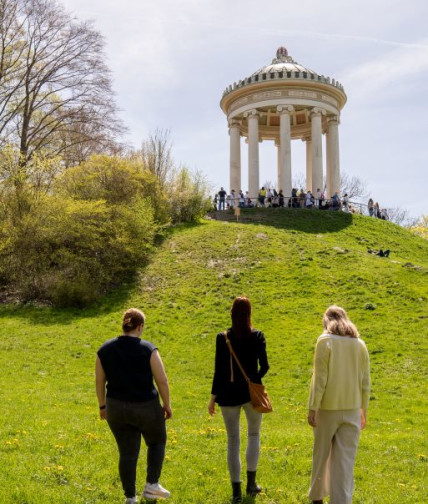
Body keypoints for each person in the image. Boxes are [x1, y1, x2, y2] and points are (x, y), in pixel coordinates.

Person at [96, 308, 172, 503]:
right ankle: (151, 485)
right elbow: (162, 380)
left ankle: (130, 497)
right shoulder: (148, 349)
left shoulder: (104, 350)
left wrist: (102, 406)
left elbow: (99, 381)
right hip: (146, 406)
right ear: (140, 327)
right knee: (156, 442)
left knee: (127, 453)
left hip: (116, 408)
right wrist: (167, 404)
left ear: (124, 325)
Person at [208, 297, 270, 503]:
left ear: (232, 314)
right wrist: (255, 379)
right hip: (251, 394)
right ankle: (252, 484)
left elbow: (218, 371)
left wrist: (212, 398)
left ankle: (236, 491)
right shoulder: (258, 336)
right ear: (249, 314)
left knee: (233, 441)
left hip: (227, 395)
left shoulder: (222, 337)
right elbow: (266, 366)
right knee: (254, 434)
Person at [307, 306, 370, 504]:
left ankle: (317, 497)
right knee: (345, 463)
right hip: (352, 408)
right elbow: (365, 383)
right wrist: (363, 410)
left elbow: (320, 379)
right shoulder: (360, 344)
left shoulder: (325, 341)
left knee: (321, 457)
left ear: (327, 321)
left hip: (327, 408)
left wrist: (313, 407)